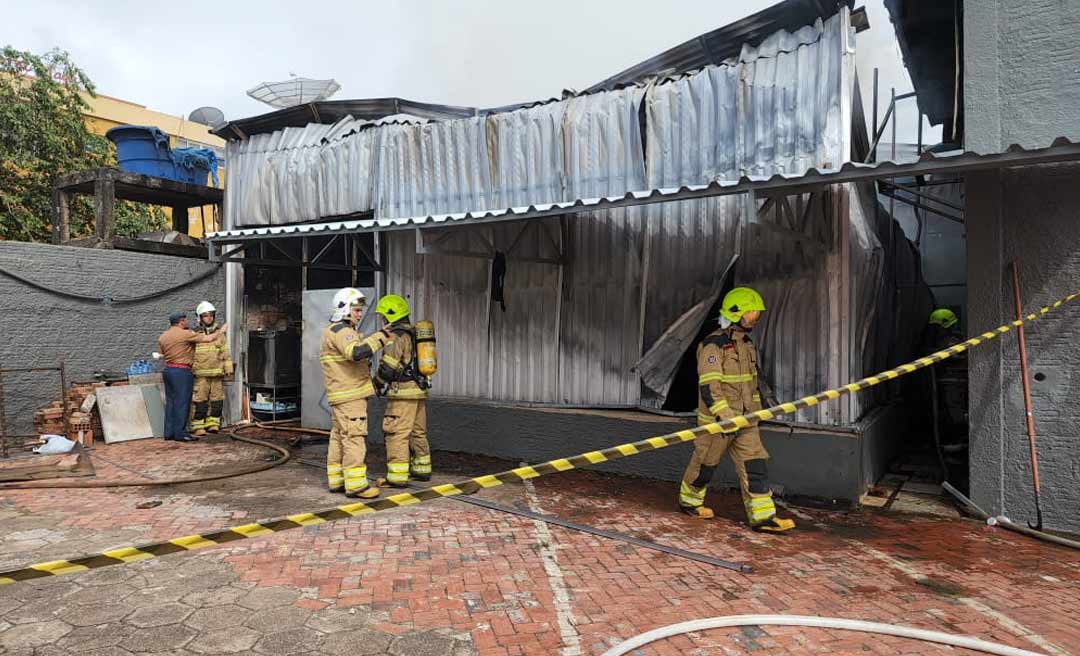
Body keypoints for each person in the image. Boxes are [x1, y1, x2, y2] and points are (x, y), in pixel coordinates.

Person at [677, 287, 795, 533]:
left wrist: (759, 409)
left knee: (755, 466)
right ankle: (689, 502)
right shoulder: (713, 346)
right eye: (751, 312)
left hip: (746, 421)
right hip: (718, 423)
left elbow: (752, 382)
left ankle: (763, 518)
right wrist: (725, 415)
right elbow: (710, 387)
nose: (755, 317)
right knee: (705, 466)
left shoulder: (747, 345)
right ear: (737, 313)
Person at [320, 288, 394, 498]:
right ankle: (356, 485)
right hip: (350, 396)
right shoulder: (343, 332)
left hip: (340, 396)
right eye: (357, 310)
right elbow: (356, 352)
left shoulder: (332, 331)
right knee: (354, 438)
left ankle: (337, 481)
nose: (360, 314)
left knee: (339, 437)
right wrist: (381, 337)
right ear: (343, 309)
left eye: (360, 311)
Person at [373, 295, 431, 487]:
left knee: (396, 432)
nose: (383, 321)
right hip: (419, 390)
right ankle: (422, 468)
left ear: (390, 317)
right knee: (418, 432)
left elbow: (388, 369)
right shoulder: (416, 334)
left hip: (402, 394)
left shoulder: (395, 337)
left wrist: (377, 384)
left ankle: (397, 477)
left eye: (383, 317)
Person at [158, 312, 226, 443]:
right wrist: (221, 331)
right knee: (182, 402)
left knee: (171, 402)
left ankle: (169, 433)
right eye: (185, 320)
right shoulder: (185, 333)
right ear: (181, 321)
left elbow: (161, 354)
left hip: (168, 370)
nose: (187, 322)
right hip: (182, 371)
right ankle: (181, 433)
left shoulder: (163, 336)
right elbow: (208, 339)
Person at [190, 301, 232, 437]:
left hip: (217, 373)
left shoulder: (220, 335)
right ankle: (197, 426)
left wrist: (228, 369)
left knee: (217, 400)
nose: (209, 318)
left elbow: (225, 352)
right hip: (200, 374)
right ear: (200, 318)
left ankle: (213, 424)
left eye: (211, 315)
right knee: (200, 400)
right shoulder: (195, 334)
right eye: (205, 316)